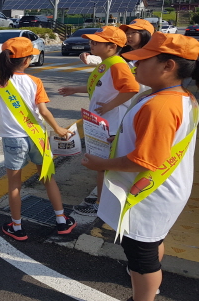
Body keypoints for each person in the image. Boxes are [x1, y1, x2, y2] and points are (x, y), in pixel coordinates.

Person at [81, 32, 199, 301]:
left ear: (168, 66)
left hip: (149, 194)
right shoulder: (180, 97)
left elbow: (144, 160)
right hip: (165, 187)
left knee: (141, 259)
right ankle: (147, 292)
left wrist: (101, 163)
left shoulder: (160, 106)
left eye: (144, 60)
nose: (135, 64)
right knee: (151, 244)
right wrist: (118, 139)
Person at [0, 37, 77, 241]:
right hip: (37, 136)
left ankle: (17, 227)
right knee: (48, 178)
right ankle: (61, 221)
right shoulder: (35, 81)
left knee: (14, 185)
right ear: (27, 61)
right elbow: (44, 111)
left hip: (13, 139)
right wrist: (58, 129)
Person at [58, 26, 140, 216]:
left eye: (96, 42)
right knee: (101, 165)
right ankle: (101, 200)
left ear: (112, 46)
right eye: (92, 41)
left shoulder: (117, 65)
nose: (91, 44)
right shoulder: (107, 63)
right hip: (104, 123)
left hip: (111, 125)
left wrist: (109, 106)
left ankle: (100, 204)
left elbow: (131, 89)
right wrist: (75, 89)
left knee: (103, 165)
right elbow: (101, 88)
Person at [79, 18, 154, 68]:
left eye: (133, 33)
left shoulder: (153, 56)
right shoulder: (124, 52)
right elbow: (110, 59)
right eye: (127, 33)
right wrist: (88, 58)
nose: (129, 36)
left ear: (145, 34)